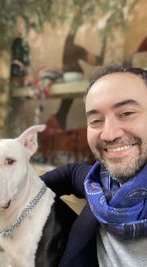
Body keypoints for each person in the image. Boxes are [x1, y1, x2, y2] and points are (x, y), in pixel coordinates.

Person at [41, 65, 147, 267]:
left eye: (126, 113)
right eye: (96, 120)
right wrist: (20, 193)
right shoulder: (102, 182)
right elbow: (71, 174)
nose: (109, 134)